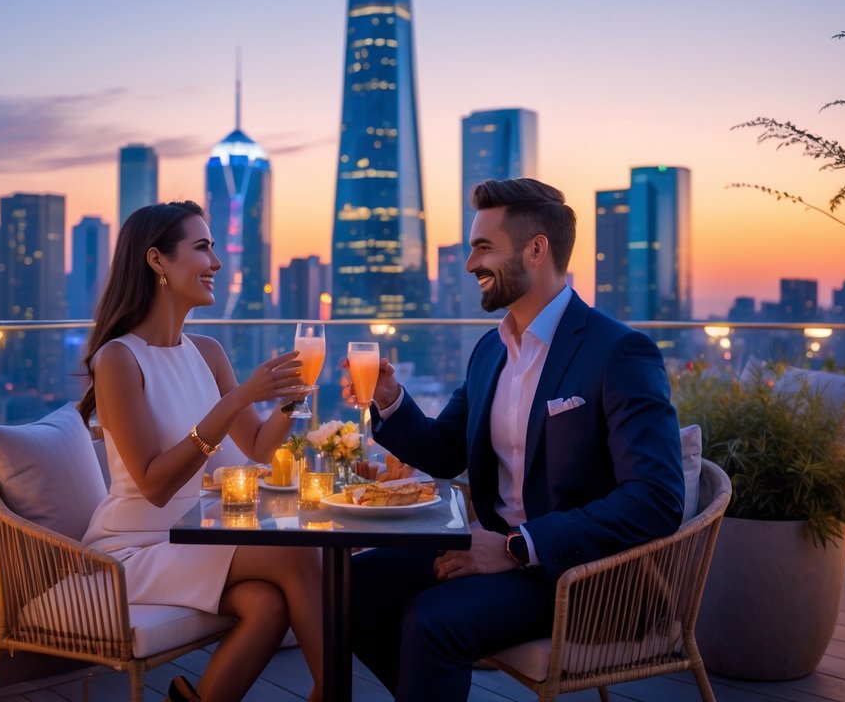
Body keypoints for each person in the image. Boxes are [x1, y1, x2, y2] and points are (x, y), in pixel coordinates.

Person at [343, 178, 685, 702]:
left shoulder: (619, 352)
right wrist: (389, 398)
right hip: (491, 553)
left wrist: (517, 548)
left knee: (433, 620)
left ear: (537, 248)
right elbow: (443, 450)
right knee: (352, 586)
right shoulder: (491, 351)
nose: (469, 264)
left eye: (484, 247)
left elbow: (656, 499)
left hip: (581, 576)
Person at [78, 201, 324, 702]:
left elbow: (256, 446)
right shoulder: (118, 359)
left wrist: (291, 401)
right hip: (133, 547)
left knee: (267, 604)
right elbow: (154, 483)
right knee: (299, 555)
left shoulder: (207, 351)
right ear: (157, 261)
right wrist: (238, 397)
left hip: (190, 539)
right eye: (203, 248)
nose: (216, 263)